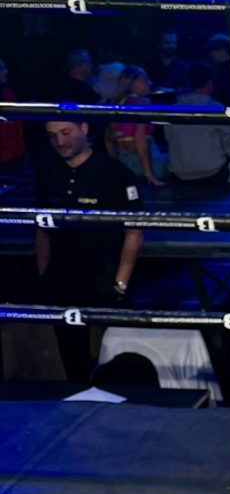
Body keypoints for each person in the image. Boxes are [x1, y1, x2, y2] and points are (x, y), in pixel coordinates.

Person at [35, 120, 144, 382]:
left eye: (66, 133)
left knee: (117, 360)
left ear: (84, 128)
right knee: (72, 360)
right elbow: (41, 230)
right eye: (52, 135)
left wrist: (120, 284)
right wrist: (45, 276)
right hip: (63, 280)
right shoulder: (47, 172)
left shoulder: (115, 172)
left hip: (104, 278)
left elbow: (134, 231)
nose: (60, 142)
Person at [163, 61, 230, 184]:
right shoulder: (216, 109)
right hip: (212, 171)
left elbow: (169, 137)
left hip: (180, 171)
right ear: (210, 82)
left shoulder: (173, 109)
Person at [105, 65, 166, 186]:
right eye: (145, 79)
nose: (150, 83)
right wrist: (149, 173)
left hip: (123, 162)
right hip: (143, 163)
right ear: (134, 83)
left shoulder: (116, 103)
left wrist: (115, 168)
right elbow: (140, 138)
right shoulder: (141, 104)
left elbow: (108, 139)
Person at [0, 59, 26, 175]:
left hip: (10, 160)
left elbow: (17, 127)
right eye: (2, 69)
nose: (7, 72)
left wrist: (19, 154)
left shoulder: (8, 94)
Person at [204, 34, 230, 107]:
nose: (210, 55)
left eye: (212, 51)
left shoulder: (225, 70)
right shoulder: (221, 68)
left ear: (222, 50)